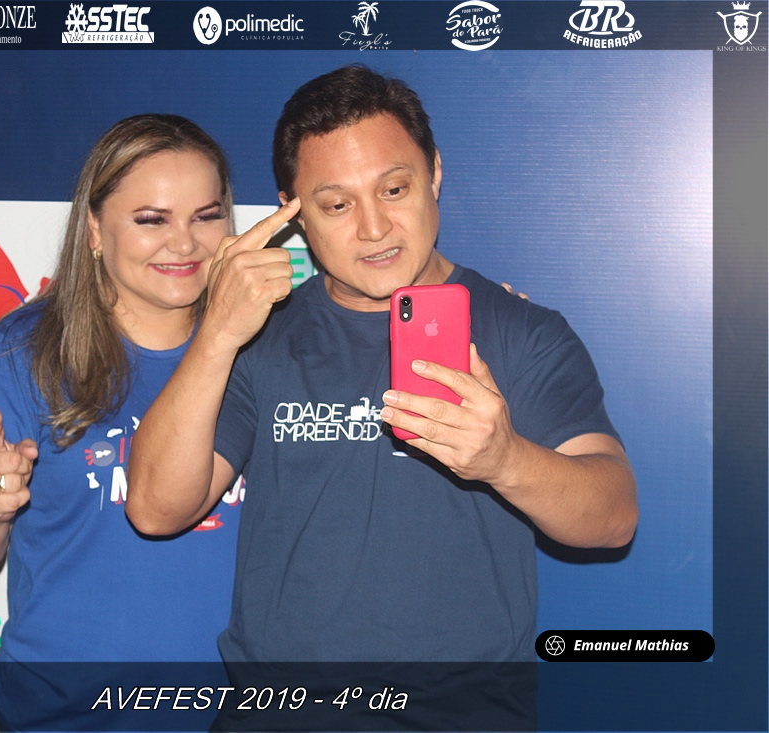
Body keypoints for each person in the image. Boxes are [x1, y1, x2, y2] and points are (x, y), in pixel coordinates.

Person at [126, 66, 637, 724]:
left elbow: (614, 516)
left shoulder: (521, 332)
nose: (374, 228)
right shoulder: (261, 336)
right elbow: (156, 509)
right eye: (336, 204)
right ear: (292, 211)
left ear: (435, 173)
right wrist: (217, 334)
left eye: (394, 189)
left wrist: (506, 459)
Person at [0, 114, 244, 731]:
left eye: (206, 216)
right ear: (95, 229)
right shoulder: (24, 351)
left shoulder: (264, 346)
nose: (184, 244)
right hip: (67, 716)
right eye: (151, 219)